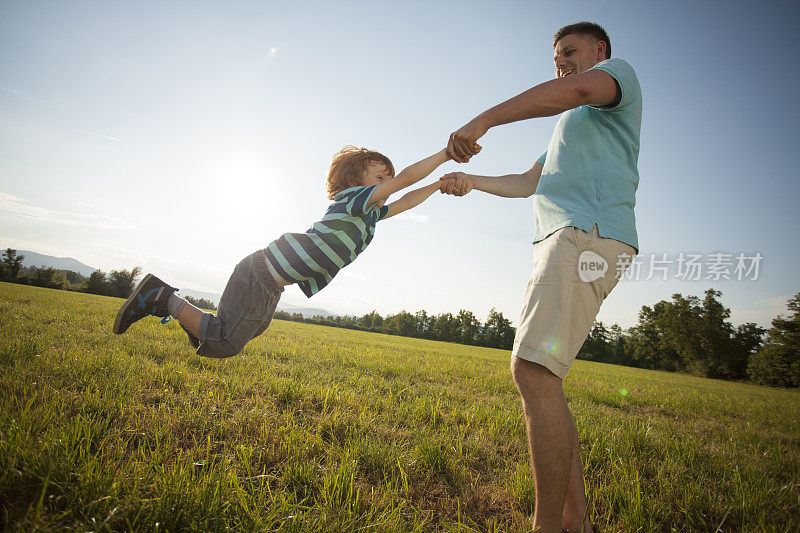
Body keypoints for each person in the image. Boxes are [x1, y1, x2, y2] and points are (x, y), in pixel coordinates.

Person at [440, 22, 642, 533]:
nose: (562, 63)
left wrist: (483, 120)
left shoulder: (615, 77)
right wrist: (472, 181)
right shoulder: (570, 126)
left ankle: (547, 527)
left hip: (585, 236)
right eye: (556, 58)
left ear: (599, 50)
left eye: (570, 53)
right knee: (544, 377)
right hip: (567, 239)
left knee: (531, 372)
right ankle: (575, 522)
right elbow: (528, 182)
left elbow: (573, 89)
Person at [113, 145, 457, 357]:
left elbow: (406, 199)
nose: (387, 185)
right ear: (355, 178)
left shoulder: (370, 214)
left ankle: (198, 327)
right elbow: (407, 180)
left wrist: (438, 185)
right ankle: (160, 297)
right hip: (263, 272)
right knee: (227, 344)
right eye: (381, 178)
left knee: (251, 330)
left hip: (270, 279)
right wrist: (444, 155)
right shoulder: (354, 200)